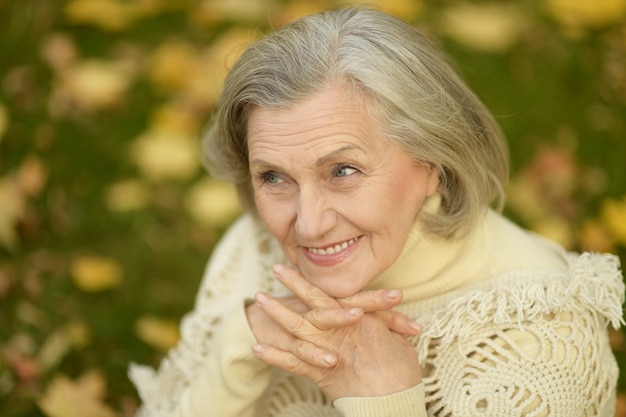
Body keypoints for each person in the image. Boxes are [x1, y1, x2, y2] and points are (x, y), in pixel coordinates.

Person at [129, 7, 625, 417]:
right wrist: (242, 345)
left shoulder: (540, 340)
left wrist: (388, 401)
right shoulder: (255, 246)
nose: (307, 224)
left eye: (342, 170)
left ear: (433, 161)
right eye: (274, 177)